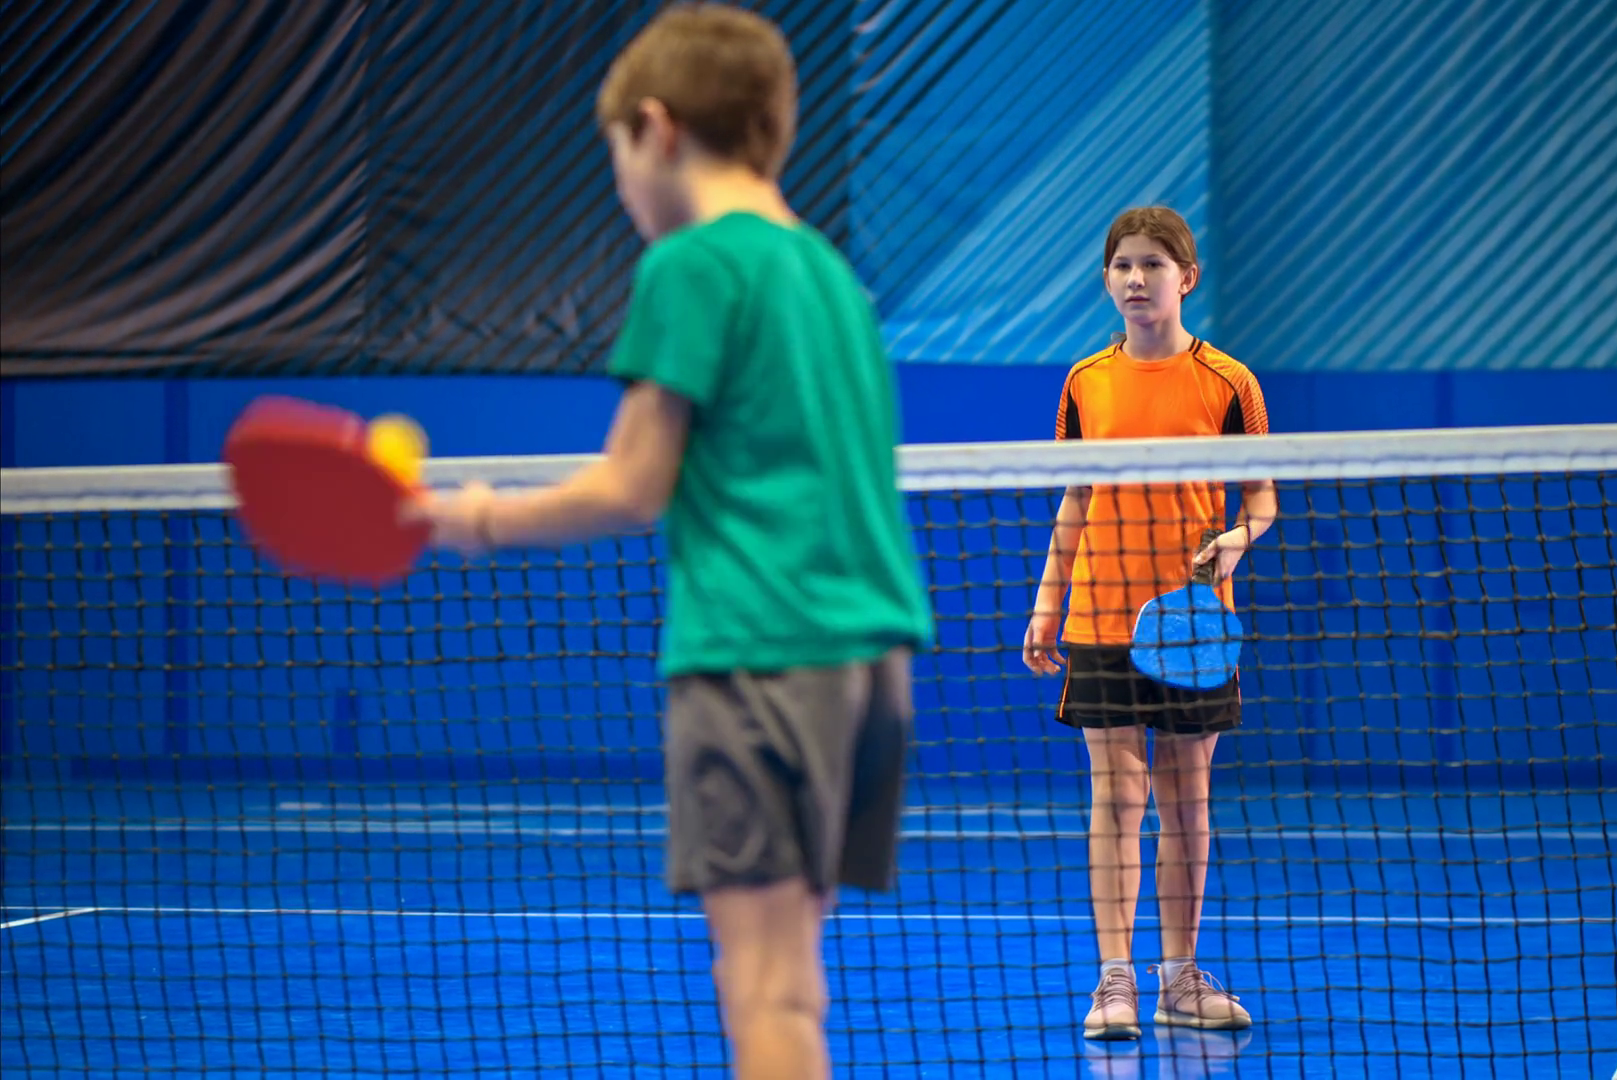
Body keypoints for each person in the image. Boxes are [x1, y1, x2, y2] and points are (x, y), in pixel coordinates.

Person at [407, 6, 932, 1078]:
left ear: (656, 127)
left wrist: (467, 517)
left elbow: (633, 483)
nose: (621, 187)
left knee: (765, 992)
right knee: (796, 985)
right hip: (869, 669)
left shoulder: (691, 265)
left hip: (757, 658)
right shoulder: (830, 276)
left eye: (615, 154)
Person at [1022, 206, 1272, 1041]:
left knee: (1187, 803)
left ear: (1186, 278)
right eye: (1123, 265)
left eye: (1153, 265)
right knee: (1118, 798)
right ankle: (1114, 981)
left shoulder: (1229, 382)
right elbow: (1076, 498)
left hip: (1194, 625)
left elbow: (1262, 498)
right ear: (1107, 279)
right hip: (1099, 616)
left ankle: (1180, 976)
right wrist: (1047, 603)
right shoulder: (1085, 382)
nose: (1136, 278)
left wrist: (1238, 539)